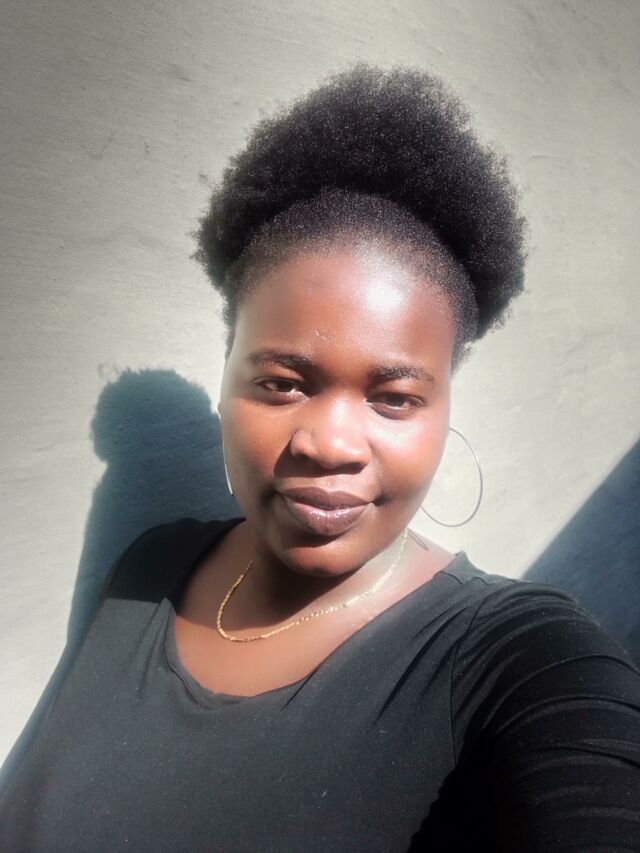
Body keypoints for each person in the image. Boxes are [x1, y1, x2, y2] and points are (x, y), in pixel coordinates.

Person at [2, 63, 640, 852]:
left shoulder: (525, 663)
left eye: (394, 397)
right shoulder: (147, 571)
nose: (330, 444)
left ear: (445, 405)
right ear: (227, 374)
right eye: (281, 382)